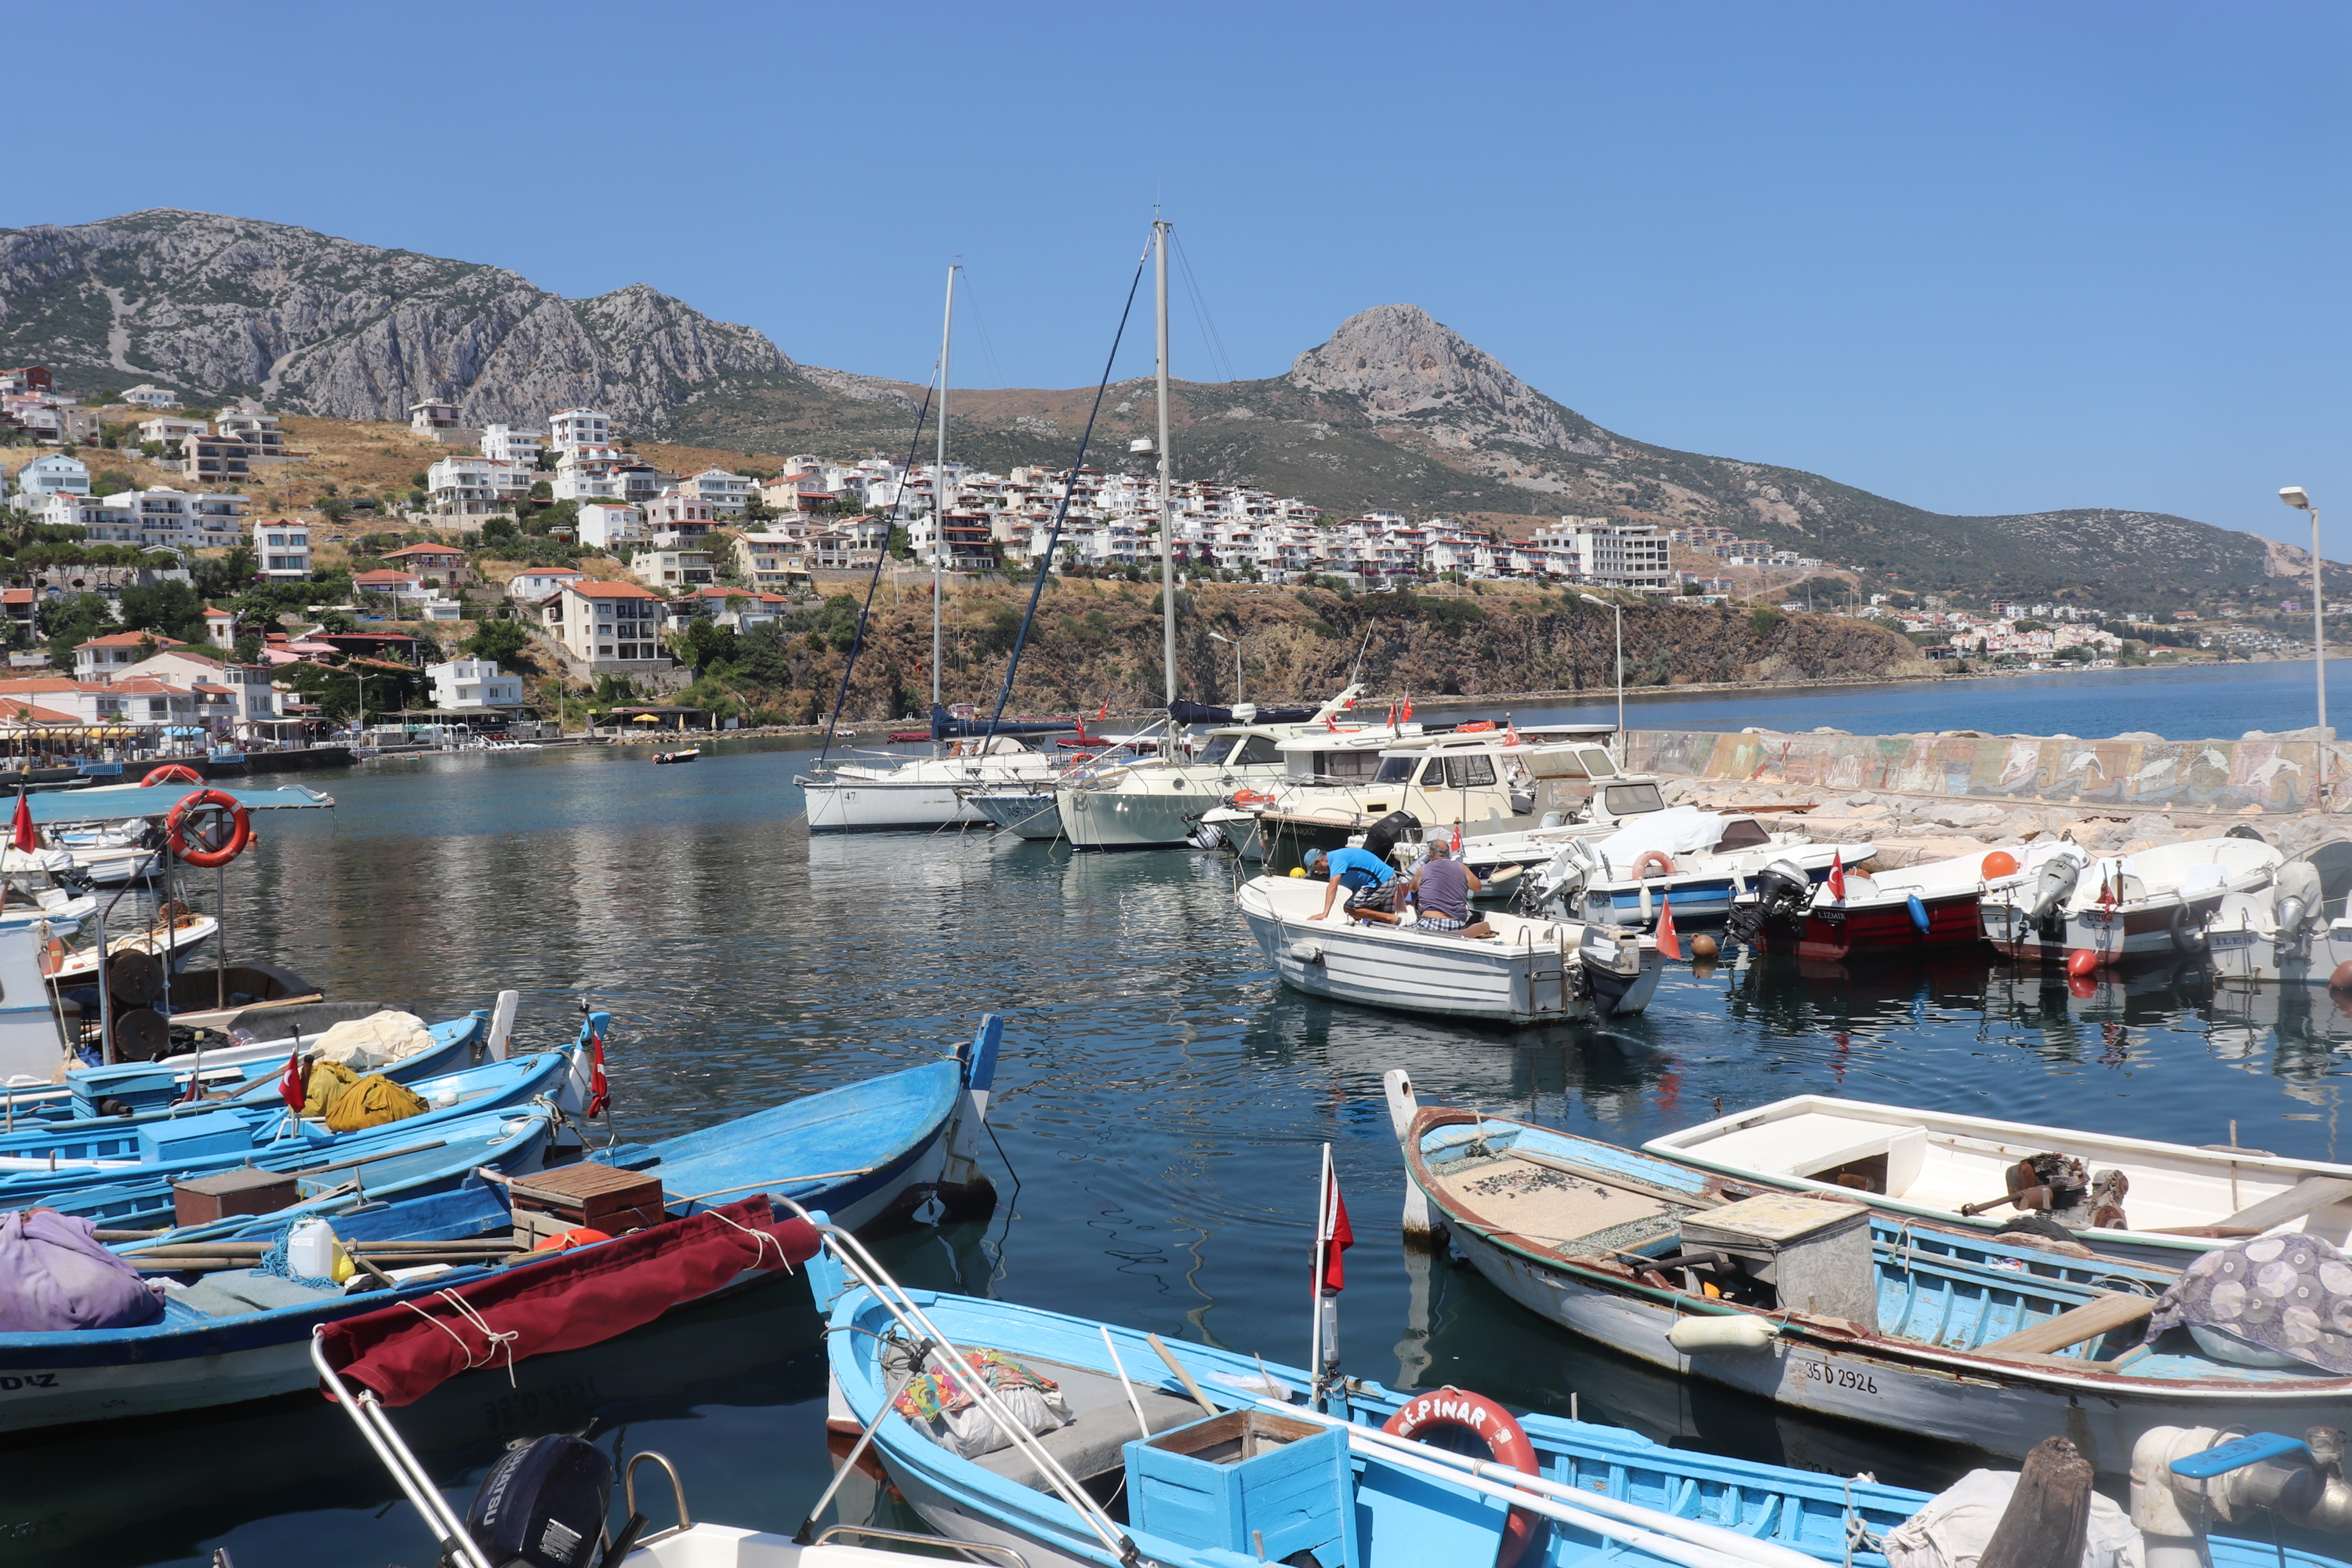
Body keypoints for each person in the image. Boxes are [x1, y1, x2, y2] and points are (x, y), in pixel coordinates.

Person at [1407, 839, 1492, 937]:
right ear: (1448, 854)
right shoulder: (1462, 867)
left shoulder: (1424, 869)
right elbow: (1477, 887)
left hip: (1431, 924)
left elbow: (1412, 888)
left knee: (1400, 930)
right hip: (1457, 924)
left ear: (1431, 855)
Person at [1305, 845, 1401, 925]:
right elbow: (1358, 878)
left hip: (1381, 881)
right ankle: (1389, 922)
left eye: (1315, 869)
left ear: (1319, 862)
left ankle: (1390, 918)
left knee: (1349, 908)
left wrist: (1325, 913)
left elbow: (1332, 886)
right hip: (1385, 879)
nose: (1318, 872)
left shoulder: (1336, 861)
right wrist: (1359, 912)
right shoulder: (1337, 856)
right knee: (1381, 926)